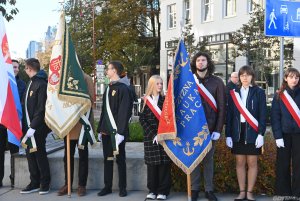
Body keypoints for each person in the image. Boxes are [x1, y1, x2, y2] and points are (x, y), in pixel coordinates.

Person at [226, 65, 266, 201]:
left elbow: (262, 115)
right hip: (238, 131)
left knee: (252, 162)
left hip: (253, 131)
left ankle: (249, 192)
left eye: (247, 75)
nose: (245, 77)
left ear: (252, 77)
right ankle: (242, 191)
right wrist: (228, 135)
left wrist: (261, 134)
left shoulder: (259, 92)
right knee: (240, 162)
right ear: (239, 77)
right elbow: (230, 115)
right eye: (242, 75)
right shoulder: (233, 92)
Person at [190, 52, 226, 201]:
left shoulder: (217, 82)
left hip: (211, 129)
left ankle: (209, 190)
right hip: (192, 128)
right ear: (195, 63)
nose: (200, 62)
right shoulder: (189, 81)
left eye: (203, 60)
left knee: (208, 161)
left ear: (208, 62)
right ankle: (194, 188)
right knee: (194, 160)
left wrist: (218, 130)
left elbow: (222, 107)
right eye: (198, 60)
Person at [97, 61, 133, 197]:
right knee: (107, 159)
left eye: (109, 68)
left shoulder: (124, 88)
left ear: (115, 70)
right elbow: (104, 111)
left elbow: (125, 112)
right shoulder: (108, 87)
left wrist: (121, 132)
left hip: (118, 133)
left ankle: (122, 188)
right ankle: (107, 186)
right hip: (106, 131)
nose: (107, 70)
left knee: (120, 160)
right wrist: (101, 129)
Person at [57, 73, 94, 197]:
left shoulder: (87, 78)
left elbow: (91, 99)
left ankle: (81, 185)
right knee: (67, 156)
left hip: (82, 123)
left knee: (83, 156)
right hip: (69, 124)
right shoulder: (64, 79)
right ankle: (68, 183)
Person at [20, 58, 51, 195]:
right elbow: (25, 104)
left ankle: (45, 184)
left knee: (39, 155)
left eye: (25, 68)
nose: (25, 71)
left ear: (29, 69)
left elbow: (41, 108)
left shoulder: (41, 84)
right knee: (30, 155)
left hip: (37, 128)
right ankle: (34, 182)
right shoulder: (30, 83)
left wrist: (33, 126)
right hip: (28, 127)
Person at [139, 75, 171, 200]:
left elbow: (169, 120)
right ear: (152, 85)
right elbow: (142, 120)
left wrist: (161, 135)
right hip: (150, 138)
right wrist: (153, 135)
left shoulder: (165, 101)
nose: (160, 86)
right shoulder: (145, 101)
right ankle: (152, 190)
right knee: (152, 166)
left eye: (161, 83)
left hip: (164, 137)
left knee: (164, 165)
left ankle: (163, 191)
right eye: (157, 83)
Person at [271, 68, 300, 198]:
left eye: (297, 77)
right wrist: (277, 136)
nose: (294, 80)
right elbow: (275, 117)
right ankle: (283, 193)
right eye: (292, 77)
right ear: (286, 78)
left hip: (299, 134)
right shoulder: (279, 96)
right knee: (283, 164)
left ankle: (297, 193)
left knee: (299, 164)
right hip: (284, 135)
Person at [0, 59, 26, 188]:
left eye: (15, 67)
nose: (14, 69)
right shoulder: (2, 83)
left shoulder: (21, 84)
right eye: (12, 67)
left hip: (14, 123)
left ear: (18, 69)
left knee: (14, 152)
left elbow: (23, 103)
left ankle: (14, 178)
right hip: (1, 122)